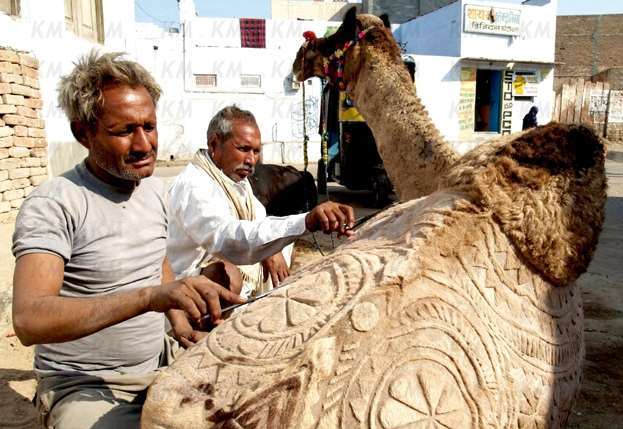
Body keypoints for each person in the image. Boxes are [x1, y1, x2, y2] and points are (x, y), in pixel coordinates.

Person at [11, 51, 243, 429]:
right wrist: (149, 299)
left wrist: (177, 319)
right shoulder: (54, 204)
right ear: (82, 133)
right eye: (123, 131)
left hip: (160, 362)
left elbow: (158, 265)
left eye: (149, 127)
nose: (143, 145)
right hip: (84, 383)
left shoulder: (151, 190)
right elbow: (28, 319)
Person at [167, 105, 355, 326]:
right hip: (183, 288)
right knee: (227, 273)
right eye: (244, 149)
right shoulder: (194, 186)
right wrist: (306, 220)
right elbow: (227, 240)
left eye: (256, 151)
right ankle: (208, 331)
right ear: (214, 144)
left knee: (281, 246)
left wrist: (270, 252)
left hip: (225, 269)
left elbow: (258, 218)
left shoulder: (235, 181)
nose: (251, 159)